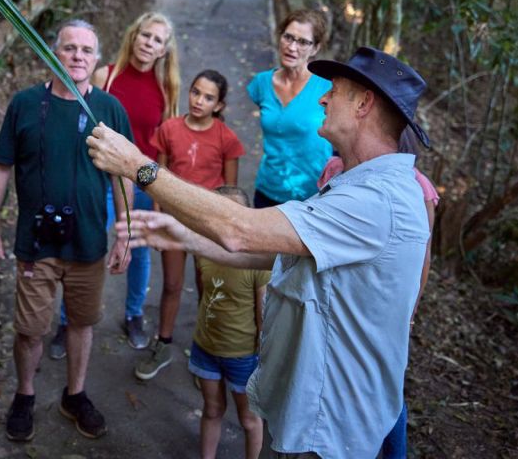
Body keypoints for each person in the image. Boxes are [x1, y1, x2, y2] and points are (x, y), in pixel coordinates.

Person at [87, 46, 432, 458]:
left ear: (364, 104)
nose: (322, 98)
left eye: (333, 91)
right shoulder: (357, 186)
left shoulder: (378, 201)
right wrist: (185, 236)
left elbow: (240, 230)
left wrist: (138, 167)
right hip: (318, 416)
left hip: (335, 430)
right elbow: (276, 251)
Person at [0, 20, 134, 442]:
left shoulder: (109, 109)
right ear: (52, 53)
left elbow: (126, 175)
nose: (77, 57)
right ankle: (25, 395)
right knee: (30, 328)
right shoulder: (25, 104)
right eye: (69, 48)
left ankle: (74, 394)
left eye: (86, 50)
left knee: (82, 323)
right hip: (36, 241)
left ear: (97, 60)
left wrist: (125, 233)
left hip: (88, 242)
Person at [51, 12, 180, 356]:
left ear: (164, 49)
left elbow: (164, 143)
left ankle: (134, 314)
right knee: (86, 245)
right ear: (133, 36)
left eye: (157, 40)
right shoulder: (105, 75)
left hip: (141, 180)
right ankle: (67, 321)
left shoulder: (167, 89)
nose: (148, 43)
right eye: (144, 35)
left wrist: (160, 192)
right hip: (102, 177)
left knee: (138, 249)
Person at [136, 70, 245, 381]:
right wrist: (158, 220)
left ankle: (207, 356)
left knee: (207, 287)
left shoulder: (226, 138)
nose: (199, 100)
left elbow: (231, 193)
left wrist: (222, 229)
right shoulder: (169, 129)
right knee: (171, 285)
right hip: (173, 220)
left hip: (207, 225)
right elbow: (158, 177)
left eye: (208, 97)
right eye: (196, 92)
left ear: (219, 104)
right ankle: (164, 344)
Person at [191, 185, 268, 459]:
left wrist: (262, 361)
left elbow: (263, 317)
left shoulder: (258, 262)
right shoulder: (204, 251)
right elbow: (204, 294)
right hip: (206, 348)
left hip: (243, 357)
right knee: (212, 410)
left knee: (249, 420)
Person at [248, 9, 333, 208]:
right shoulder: (261, 83)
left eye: (303, 42)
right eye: (288, 37)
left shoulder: (328, 88)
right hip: (267, 190)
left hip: (313, 196)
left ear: (315, 48)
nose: (292, 47)